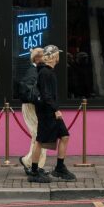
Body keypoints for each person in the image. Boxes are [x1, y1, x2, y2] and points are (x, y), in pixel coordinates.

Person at [28, 45, 75, 183]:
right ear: (54, 56)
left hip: (50, 111)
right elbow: (46, 95)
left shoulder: (48, 71)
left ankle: (59, 168)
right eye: (57, 54)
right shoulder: (45, 73)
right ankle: (34, 172)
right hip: (47, 112)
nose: (59, 56)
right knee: (40, 141)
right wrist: (56, 109)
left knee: (65, 136)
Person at [18, 46, 47, 176]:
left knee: (39, 135)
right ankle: (30, 162)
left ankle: (36, 164)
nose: (46, 58)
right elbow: (30, 90)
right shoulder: (33, 71)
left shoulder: (35, 70)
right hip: (31, 106)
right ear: (37, 58)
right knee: (39, 135)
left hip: (32, 105)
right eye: (44, 55)